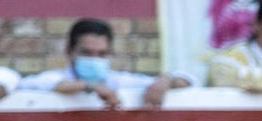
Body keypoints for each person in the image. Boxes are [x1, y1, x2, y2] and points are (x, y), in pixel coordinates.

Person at [18, 18, 193, 110]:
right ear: (70, 52)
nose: (95, 59)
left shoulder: (118, 81)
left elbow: (188, 80)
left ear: (110, 53)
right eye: (87, 53)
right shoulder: (53, 78)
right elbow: (53, 85)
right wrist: (91, 86)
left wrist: (164, 81)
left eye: (102, 54)